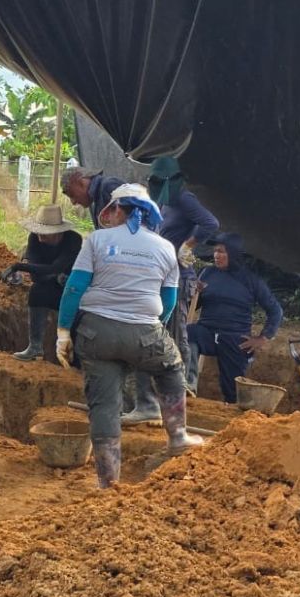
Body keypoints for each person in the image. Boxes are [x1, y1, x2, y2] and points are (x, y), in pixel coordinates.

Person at [55, 183, 203, 488]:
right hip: (145, 331)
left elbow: (74, 288)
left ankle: (108, 483)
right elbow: (169, 301)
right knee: (170, 368)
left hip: (96, 334)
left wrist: (63, 333)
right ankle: (178, 436)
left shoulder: (97, 240)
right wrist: (150, 331)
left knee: (104, 405)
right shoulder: (165, 248)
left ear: (117, 209)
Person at [123, 156, 220, 425]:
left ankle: (181, 389)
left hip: (178, 277)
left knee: (175, 333)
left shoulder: (183, 198)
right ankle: (165, 391)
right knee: (161, 334)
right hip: (162, 276)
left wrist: (189, 245)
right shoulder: (163, 202)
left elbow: (210, 223)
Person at [188, 232, 283, 403]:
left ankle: (232, 411)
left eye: (221, 251)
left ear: (233, 253)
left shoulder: (251, 280)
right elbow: (193, 305)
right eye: (215, 251)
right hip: (207, 332)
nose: (216, 255)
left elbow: (276, 311)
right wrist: (194, 293)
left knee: (232, 391)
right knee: (188, 334)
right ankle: (188, 387)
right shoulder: (207, 273)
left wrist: (263, 337)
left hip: (235, 339)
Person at [1, 204, 83, 361]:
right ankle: (35, 347)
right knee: (37, 291)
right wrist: (51, 275)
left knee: (75, 310)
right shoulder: (34, 238)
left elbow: (55, 267)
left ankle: (73, 357)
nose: (40, 236)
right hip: (48, 283)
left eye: (45, 233)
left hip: (71, 289)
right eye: (39, 232)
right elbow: (35, 274)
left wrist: (19, 266)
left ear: (58, 233)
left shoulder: (73, 240)